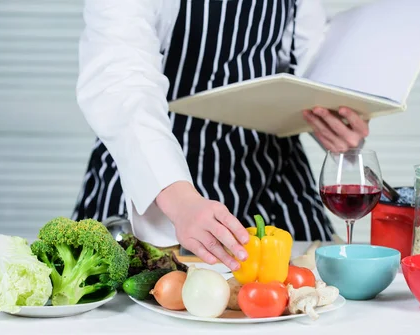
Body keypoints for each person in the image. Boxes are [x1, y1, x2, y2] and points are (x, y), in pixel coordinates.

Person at [72, 0, 370, 271]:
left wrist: (336, 119)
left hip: (269, 175)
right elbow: (121, 82)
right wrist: (180, 201)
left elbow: (309, 64)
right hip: (153, 173)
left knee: (308, 296)